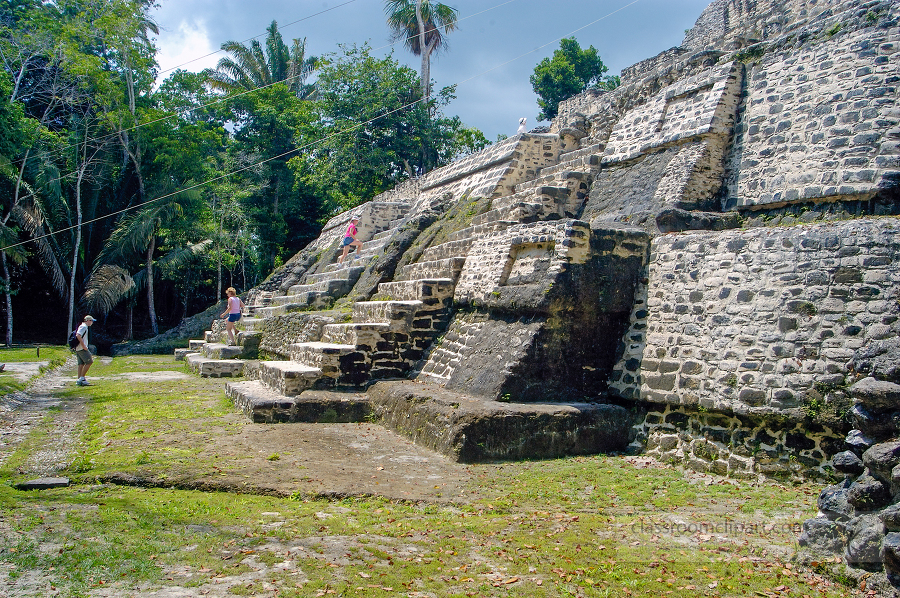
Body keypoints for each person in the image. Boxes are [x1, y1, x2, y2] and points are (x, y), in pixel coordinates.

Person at [75, 315, 95, 386]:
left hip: (78, 348)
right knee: (90, 362)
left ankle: (79, 379)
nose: (92, 322)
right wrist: (83, 345)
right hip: (82, 348)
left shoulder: (83, 326)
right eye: (92, 321)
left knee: (81, 364)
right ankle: (82, 378)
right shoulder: (83, 326)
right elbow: (78, 335)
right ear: (88, 321)